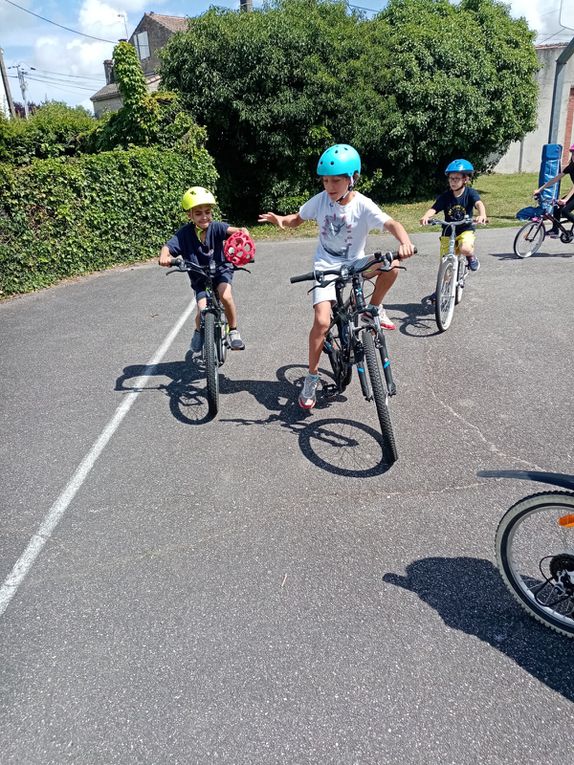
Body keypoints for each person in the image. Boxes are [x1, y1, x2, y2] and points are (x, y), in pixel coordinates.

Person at [258, 144, 415, 410]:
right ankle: (312, 375)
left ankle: (372, 309)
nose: (329, 186)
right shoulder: (320, 200)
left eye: (336, 180)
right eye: (325, 180)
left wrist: (405, 240)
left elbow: (391, 223)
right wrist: (280, 220)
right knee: (321, 322)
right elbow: (298, 218)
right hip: (326, 263)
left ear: (352, 179)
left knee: (393, 265)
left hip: (356, 262)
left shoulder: (362, 204)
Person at [159, 186, 248, 352]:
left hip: (221, 271)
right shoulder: (184, 234)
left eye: (207, 212)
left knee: (225, 295)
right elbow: (168, 247)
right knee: (202, 309)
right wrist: (165, 256)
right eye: (198, 213)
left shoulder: (217, 228)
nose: (204, 216)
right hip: (199, 277)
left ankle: (234, 330)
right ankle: (198, 331)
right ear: (189, 215)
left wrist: (242, 232)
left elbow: (235, 231)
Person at [420, 159, 487, 273]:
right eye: (451, 178)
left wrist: (482, 215)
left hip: (465, 229)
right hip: (448, 232)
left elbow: (479, 204)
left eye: (456, 179)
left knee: (465, 248)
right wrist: (426, 216)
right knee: (446, 268)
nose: (453, 182)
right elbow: (434, 208)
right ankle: (445, 288)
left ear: (465, 179)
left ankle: (471, 256)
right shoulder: (446, 196)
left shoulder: (470, 193)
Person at [534, 144, 574, 236]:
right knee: (556, 206)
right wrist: (540, 189)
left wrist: (566, 199)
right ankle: (555, 230)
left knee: (565, 211)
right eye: (573, 153)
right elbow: (555, 179)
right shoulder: (570, 167)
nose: (573, 156)